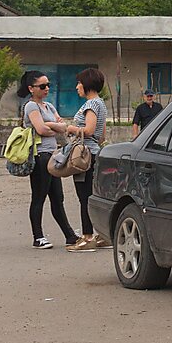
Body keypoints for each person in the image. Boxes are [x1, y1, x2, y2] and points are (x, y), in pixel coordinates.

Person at [16, 70, 80, 250]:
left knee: (57, 198)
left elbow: (62, 126)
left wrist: (50, 125)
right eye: (42, 86)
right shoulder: (31, 106)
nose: (46, 89)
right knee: (39, 197)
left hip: (53, 155)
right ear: (31, 88)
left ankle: (69, 235)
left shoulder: (49, 106)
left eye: (48, 85)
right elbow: (41, 130)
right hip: (40, 156)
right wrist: (53, 126)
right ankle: (38, 237)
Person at [63, 68, 109, 253]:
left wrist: (71, 128)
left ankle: (87, 237)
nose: (76, 87)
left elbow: (89, 130)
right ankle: (102, 235)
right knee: (94, 195)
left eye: (79, 83)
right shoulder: (101, 104)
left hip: (84, 156)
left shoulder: (90, 105)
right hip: (95, 152)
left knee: (85, 197)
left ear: (87, 84)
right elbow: (101, 134)